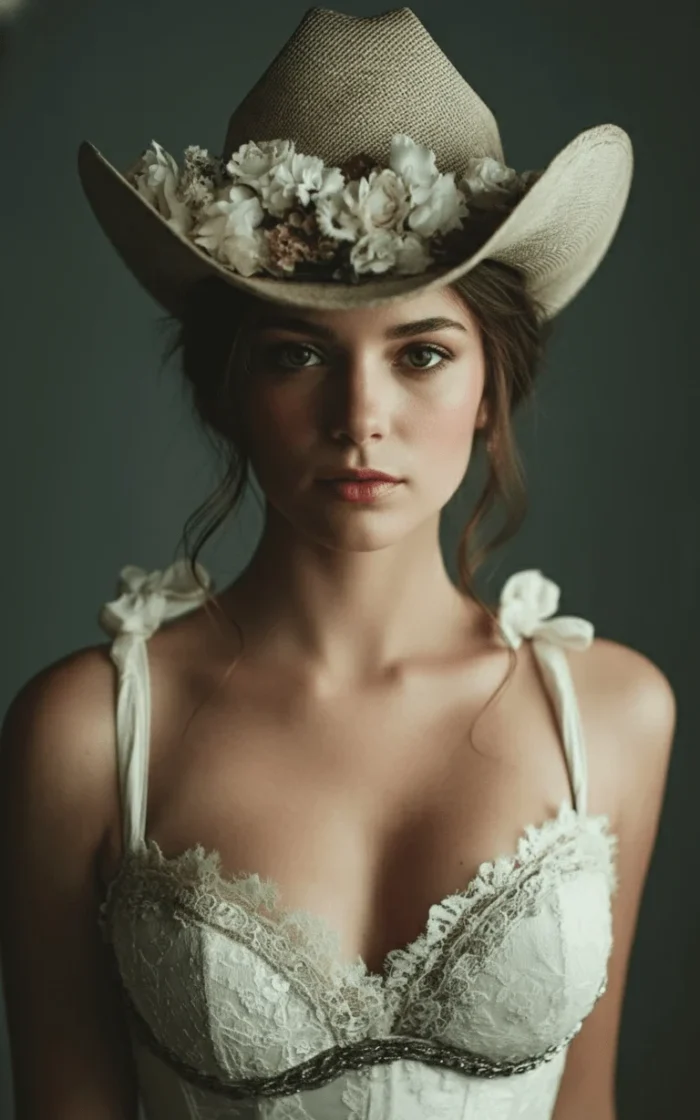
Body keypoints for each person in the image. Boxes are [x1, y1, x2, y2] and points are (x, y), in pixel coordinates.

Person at [0, 6, 676, 1120]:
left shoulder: (612, 716)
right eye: (297, 352)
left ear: (490, 387)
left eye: (420, 353)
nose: (361, 417)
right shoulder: (83, 734)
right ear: (226, 389)